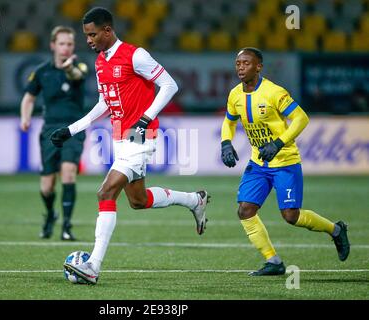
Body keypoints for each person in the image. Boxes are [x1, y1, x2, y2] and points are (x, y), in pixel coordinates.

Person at [50, 7, 210, 284]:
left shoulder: (136, 55)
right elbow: (104, 102)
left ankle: (93, 266)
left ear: (108, 31)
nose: (88, 40)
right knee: (138, 200)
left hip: (140, 136)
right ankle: (195, 200)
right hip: (120, 137)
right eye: (86, 35)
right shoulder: (101, 62)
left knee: (105, 192)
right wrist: (72, 129)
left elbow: (170, 85)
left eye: (92, 34)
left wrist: (145, 119)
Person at [220, 47, 350, 276]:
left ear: (258, 67)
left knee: (291, 216)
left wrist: (278, 143)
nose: (241, 67)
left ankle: (336, 230)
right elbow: (229, 121)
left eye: (246, 63)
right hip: (258, 163)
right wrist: (225, 143)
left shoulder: (274, 92)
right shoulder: (234, 94)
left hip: (285, 161)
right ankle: (273, 261)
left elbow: (301, 118)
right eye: (238, 63)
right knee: (245, 210)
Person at [20, 26, 88, 241]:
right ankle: (51, 215)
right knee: (47, 186)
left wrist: (69, 69)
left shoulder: (80, 66)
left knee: (68, 172)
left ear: (73, 46)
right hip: (50, 129)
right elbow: (29, 98)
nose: (65, 48)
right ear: (53, 45)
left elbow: (77, 75)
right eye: (61, 43)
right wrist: (25, 117)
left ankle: (67, 226)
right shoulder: (41, 71)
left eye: (69, 44)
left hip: (73, 128)